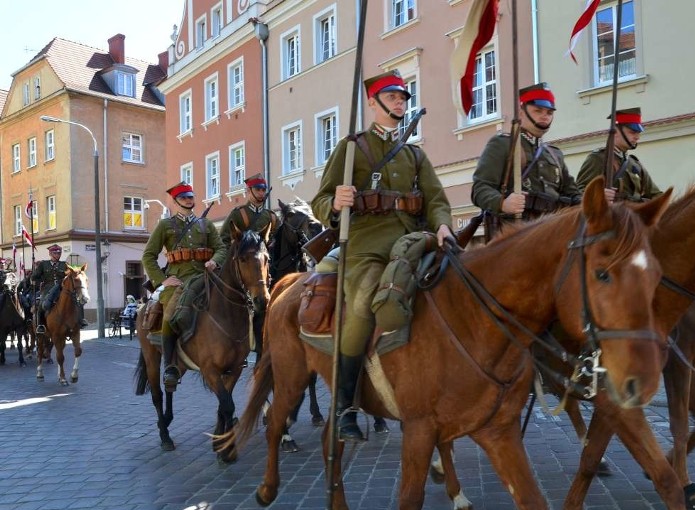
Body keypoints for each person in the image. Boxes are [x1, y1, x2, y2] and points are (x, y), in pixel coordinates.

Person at [311, 69, 453, 441]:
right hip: (365, 244)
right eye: (391, 98)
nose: (400, 103)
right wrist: (335, 203)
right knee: (361, 302)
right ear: (372, 103)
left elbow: (436, 200)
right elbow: (320, 200)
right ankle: (345, 404)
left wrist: (442, 225)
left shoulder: (414, 155)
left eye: (403, 98)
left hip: (411, 240)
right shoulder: (352, 147)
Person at [141, 182, 227, 392]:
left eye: (191, 196)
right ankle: (170, 366)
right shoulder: (166, 226)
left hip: (206, 278)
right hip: (178, 280)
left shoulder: (205, 224)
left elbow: (221, 248)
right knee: (171, 313)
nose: (189, 200)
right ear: (176, 201)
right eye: (185, 197)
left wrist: (214, 261)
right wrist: (162, 280)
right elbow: (148, 256)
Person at [471, 82, 581, 230]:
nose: (544, 116)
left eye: (549, 113)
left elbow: (572, 193)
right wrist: (502, 203)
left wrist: (595, 200)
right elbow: (480, 188)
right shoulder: (503, 144)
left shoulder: (554, 154)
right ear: (521, 112)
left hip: (552, 230)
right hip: (514, 231)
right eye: (538, 110)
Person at [219, 174, 280, 359]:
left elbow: (278, 241)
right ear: (249, 191)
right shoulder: (239, 213)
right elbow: (223, 239)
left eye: (263, 189)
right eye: (257, 189)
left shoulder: (271, 217)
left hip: (263, 267)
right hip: (243, 268)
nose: (261, 193)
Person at [575, 107, 662, 203]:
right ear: (615, 131)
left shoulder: (635, 163)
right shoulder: (598, 158)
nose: (637, 137)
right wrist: (598, 195)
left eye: (638, 133)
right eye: (632, 132)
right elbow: (580, 193)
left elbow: (656, 195)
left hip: (633, 216)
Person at [31, 244, 88, 332]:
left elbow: (70, 275)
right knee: (42, 303)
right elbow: (34, 277)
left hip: (62, 287)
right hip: (48, 288)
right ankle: (41, 325)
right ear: (50, 254)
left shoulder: (64, 265)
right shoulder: (43, 264)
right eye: (55, 253)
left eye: (59, 253)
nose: (58, 255)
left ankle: (81, 320)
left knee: (77, 300)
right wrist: (39, 280)